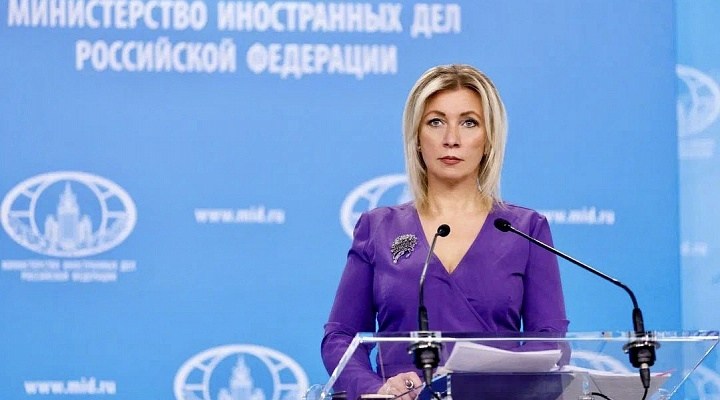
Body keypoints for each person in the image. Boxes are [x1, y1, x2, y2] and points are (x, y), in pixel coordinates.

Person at [321, 64, 569, 400]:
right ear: (416, 138)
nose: (451, 139)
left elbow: (550, 340)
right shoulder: (377, 228)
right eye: (436, 122)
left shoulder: (526, 229)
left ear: (489, 140)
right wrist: (377, 389)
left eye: (469, 123)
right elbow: (341, 337)